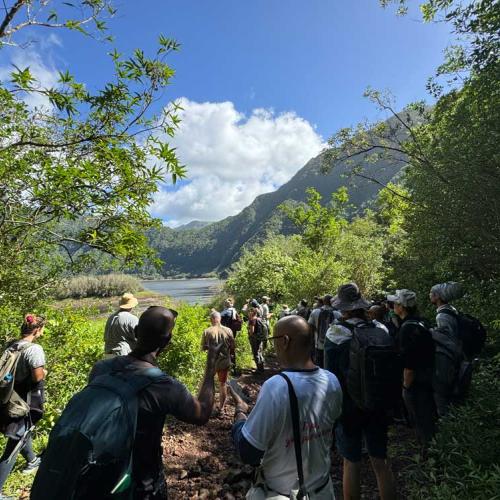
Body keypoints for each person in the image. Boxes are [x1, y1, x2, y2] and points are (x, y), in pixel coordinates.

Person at [87, 306, 220, 499]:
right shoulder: (164, 386)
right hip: (143, 483)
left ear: (135, 332)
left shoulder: (100, 369)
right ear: (168, 342)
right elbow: (203, 413)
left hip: (101, 474)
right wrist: (211, 365)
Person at [230, 315, 342, 498]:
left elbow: (248, 452)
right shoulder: (332, 381)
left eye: (273, 340)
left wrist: (240, 415)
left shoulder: (277, 387)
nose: (273, 345)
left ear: (285, 341)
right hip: (323, 490)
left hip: (283, 493)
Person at [324, 283, 396, 500]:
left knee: (351, 461)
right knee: (380, 461)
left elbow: (329, 375)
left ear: (343, 307)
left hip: (349, 406)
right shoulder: (380, 328)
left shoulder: (336, 332)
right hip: (378, 403)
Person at [0, 314, 47, 499]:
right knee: (13, 445)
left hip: (8, 397)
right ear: (36, 330)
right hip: (24, 401)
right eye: (42, 329)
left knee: (22, 431)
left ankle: (33, 461)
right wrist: (44, 371)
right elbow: (37, 377)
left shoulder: (11, 345)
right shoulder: (34, 349)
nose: (42, 332)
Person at [388, 289, 435, 454]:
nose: (393, 305)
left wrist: (406, 387)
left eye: (395, 303)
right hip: (429, 377)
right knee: (427, 417)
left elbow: (409, 363)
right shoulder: (423, 322)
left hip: (416, 383)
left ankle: (429, 456)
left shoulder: (407, 328)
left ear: (402, 307)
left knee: (421, 420)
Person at [429, 282, 463, 417]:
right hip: (458, 357)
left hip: (450, 361)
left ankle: (449, 429)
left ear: (437, 297)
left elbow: (448, 339)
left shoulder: (442, 316)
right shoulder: (451, 310)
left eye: (431, 293)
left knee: (444, 398)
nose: (429, 295)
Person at [201, 311, 235, 414]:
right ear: (219, 319)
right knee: (222, 384)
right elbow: (233, 346)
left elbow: (203, 348)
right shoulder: (228, 330)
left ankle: (206, 407)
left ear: (211, 319)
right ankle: (221, 408)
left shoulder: (207, 331)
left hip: (211, 362)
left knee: (208, 384)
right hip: (224, 362)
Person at [104, 292, 139, 357]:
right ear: (132, 305)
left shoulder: (111, 317)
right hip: (123, 354)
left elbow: (105, 337)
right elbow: (139, 338)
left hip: (108, 355)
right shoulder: (132, 319)